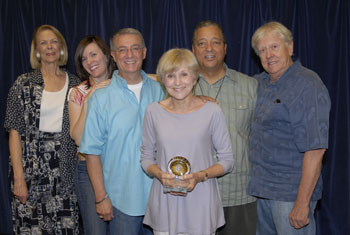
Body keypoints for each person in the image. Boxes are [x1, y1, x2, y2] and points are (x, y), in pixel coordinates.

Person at [247, 21, 331, 235]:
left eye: (274, 46)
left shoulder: (308, 84)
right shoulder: (259, 83)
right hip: (260, 190)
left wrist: (302, 203)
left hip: (290, 195)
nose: (269, 55)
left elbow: (315, 150)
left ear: (290, 47)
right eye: (262, 50)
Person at [78, 28, 164, 234]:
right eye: (122, 50)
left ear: (144, 52)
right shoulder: (100, 98)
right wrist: (100, 198)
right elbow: (91, 152)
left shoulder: (162, 90)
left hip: (160, 198)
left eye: (135, 48)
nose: (130, 55)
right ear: (114, 56)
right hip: (121, 202)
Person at [140, 48, 234, 235]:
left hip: (201, 202)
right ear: (162, 79)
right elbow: (146, 158)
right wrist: (159, 174)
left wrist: (199, 176)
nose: (177, 82)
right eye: (170, 75)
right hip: (166, 203)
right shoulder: (153, 112)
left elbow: (227, 161)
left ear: (194, 78)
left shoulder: (212, 111)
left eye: (184, 74)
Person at [4, 24, 80, 234]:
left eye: (54, 42)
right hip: (30, 171)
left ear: (61, 48)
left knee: (65, 227)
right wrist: (19, 178)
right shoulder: (23, 84)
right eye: (43, 43)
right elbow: (14, 132)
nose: (49, 47)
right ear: (37, 51)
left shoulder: (76, 84)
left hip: (65, 171)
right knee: (32, 227)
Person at [192, 20, 258, 235]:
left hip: (239, 194)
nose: (209, 49)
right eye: (202, 43)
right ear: (193, 50)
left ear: (225, 48)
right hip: (194, 195)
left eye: (215, 42)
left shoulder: (250, 86)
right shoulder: (180, 88)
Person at [68, 35, 116, 234]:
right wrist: (89, 98)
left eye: (94, 54)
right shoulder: (78, 92)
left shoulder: (123, 85)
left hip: (119, 167)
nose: (90, 61)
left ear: (107, 55)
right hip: (87, 169)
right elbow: (78, 138)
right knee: (95, 230)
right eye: (84, 58)